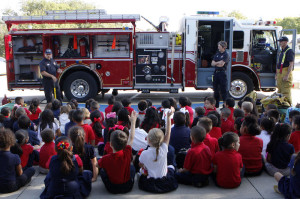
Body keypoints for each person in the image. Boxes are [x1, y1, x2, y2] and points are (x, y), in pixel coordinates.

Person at [138, 108, 178, 193]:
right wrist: (168, 117)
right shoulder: (164, 148)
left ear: (148, 140)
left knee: (140, 172)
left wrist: (144, 167)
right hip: (164, 180)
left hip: (151, 181)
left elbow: (141, 164)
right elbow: (168, 132)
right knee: (171, 167)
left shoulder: (144, 153)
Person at [98, 111, 137, 194]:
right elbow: (132, 138)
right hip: (127, 187)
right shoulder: (127, 152)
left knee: (102, 171)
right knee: (132, 168)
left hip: (111, 188)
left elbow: (97, 165)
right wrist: (133, 122)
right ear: (125, 143)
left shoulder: (105, 158)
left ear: (110, 144)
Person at [0, 129, 35, 193]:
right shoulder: (15, 157)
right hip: (11, 186)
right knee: (31, 170)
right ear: (11, 142)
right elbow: (20, 173)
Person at [276, 36, 294, 105]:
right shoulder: (282, 51)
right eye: (279, 41)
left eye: (281, 41)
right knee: (280, 91)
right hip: (280, 73)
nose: (280, 43)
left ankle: (289, 108)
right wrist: (276, 74)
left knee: (286, 92)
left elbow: (291, 64)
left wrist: (287, 75)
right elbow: (279, 64)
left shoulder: (289, 51)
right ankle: (282, 107)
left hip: (285, 72)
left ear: (286, 42)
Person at [211, 41, 230, 108]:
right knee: (215, 90)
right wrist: (217, 63)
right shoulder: (217, 54)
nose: (218, 47)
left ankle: (225, 105)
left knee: (223, 90)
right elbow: (212, 63)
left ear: (224, 47)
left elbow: (222, 64)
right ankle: (216, 105)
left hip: (222, 73)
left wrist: (217, 62)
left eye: (219, 46)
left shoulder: (226, 55)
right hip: (216, 73)